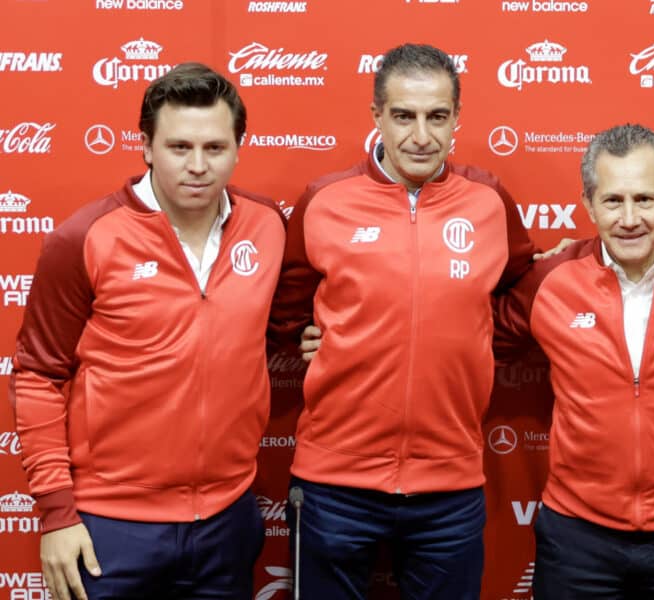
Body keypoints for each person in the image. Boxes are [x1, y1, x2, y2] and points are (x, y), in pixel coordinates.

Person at [267, 43, 540, 599]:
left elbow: (519, 284)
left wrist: (482, 342)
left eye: (437, 116)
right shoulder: (325, 201)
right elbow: (284, 304)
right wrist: (306, 335)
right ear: (377, 117)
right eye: (404, 116)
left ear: (457, 117)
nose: (421, 135)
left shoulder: (488, 200)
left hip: (450, 486)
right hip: (333, 485)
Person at [10, 63, 284, 600]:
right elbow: (38, 376)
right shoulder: (85, 238)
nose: (198, 166)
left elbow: (282, 322)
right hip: (110, 526)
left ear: (237, 148)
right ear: (146, 147)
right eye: (179, 147)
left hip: (228, 520)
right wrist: (58, 514)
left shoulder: (267, 225)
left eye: (215, 148)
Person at [492, 123, 654, 598]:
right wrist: (337, 336)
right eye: (612, 201)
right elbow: (462, 335)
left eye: (644, 200)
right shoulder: (551, 280)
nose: (630, 218)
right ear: (587, 204)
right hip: (578, 537)